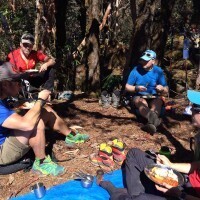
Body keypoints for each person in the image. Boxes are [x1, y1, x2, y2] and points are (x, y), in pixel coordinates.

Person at [97, 89, 200, 200]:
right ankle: (136, 195)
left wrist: (180, 195)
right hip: (185, 182)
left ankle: (125, 195)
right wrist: (171, 165)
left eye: (195, 108)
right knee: (134, 154)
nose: (191, 111)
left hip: (187, 195)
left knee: (138, 198)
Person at [0, 62, 89, 176]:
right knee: (36, 122)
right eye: (17, 82)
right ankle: (41, 163)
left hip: (7, 138)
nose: (21, 85)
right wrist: (40, 100)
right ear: (5, 85)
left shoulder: (4, 98)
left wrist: (33, 103)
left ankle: (70, 136)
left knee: (44, 109)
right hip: (2, 152)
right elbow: (27, 124)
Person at [125, 50, 168, 134]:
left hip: (154, 96)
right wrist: (136, 88)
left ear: (153, 61)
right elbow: (127, 87)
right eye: (142, 60)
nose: (143, 62)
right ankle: (155, 121)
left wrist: (162, 89)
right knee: (141, 102)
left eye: (146, 61)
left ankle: (150, 124)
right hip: (139, 96)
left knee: (158, 102)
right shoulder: (135, 70)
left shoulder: (158, 71)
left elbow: (166, 90)